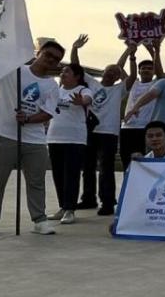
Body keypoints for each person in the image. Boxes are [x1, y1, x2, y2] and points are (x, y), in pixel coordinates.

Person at [0, 41, 64, 237]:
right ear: (39, 52)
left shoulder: (51, 85)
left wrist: (28, 119)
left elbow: (48, 112)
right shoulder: (14, 71)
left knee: (36, 182)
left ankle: (39, 220)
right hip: (5, 134)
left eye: (55, 59)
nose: (50, 60)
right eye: (48, 54)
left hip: (34, 140)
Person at [71, 35, 132, 216]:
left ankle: (107, 201)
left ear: (118, 76)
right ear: (103, 72)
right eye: (108, 71)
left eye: (115, 73)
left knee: (106, 168)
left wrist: (129, 51)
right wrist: (75, 48)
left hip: (109, 132)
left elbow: (130, 76)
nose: (111, 74)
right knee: (88, 166)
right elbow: (77, 68)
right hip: (90, 130)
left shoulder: (119, 89)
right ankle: (88, 198)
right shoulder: (92, 83)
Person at [46, 62, 93, 226]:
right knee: (58, 175)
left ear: (77, 76)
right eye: (62, 71)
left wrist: (81, 101)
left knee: (71, 174)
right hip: (54, 138)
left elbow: (87, 100)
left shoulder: (83, 90)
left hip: (75, 139)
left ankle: (70, 209)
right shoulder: (56, 91)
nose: (63, 73)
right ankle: (62, 207)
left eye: (67, 71)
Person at [118, 45, 157, 185]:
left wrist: (153, 50)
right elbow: (119, 68)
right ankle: (127, 191)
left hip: (145, 129)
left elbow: (159, 67)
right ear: (139, 71)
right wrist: (130, 52)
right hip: (127, 128)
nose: (146, 70)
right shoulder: (133, 83)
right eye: (143, 68)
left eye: (149, 68)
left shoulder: (157, 84)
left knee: (145, 163)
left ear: (153, 71)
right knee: (126, 163)